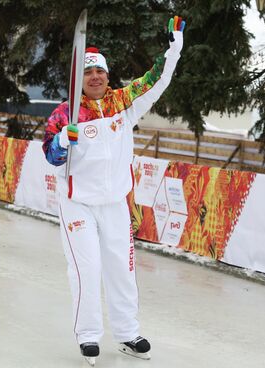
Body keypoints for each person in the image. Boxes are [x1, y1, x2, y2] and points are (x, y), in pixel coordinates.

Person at [42, 16, 185, 364]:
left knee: (122, 268)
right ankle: (89, 336)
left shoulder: (124, 102)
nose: (95, 77)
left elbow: (156, 80)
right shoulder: (65, 113)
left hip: (116, 202)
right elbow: (51, 155)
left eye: (100, 72)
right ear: (80, 78)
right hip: (78, 204)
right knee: (87, 268)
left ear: (107, 75)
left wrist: (175, 48)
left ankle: (127, 333)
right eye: (89, 72)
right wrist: (63, 139)